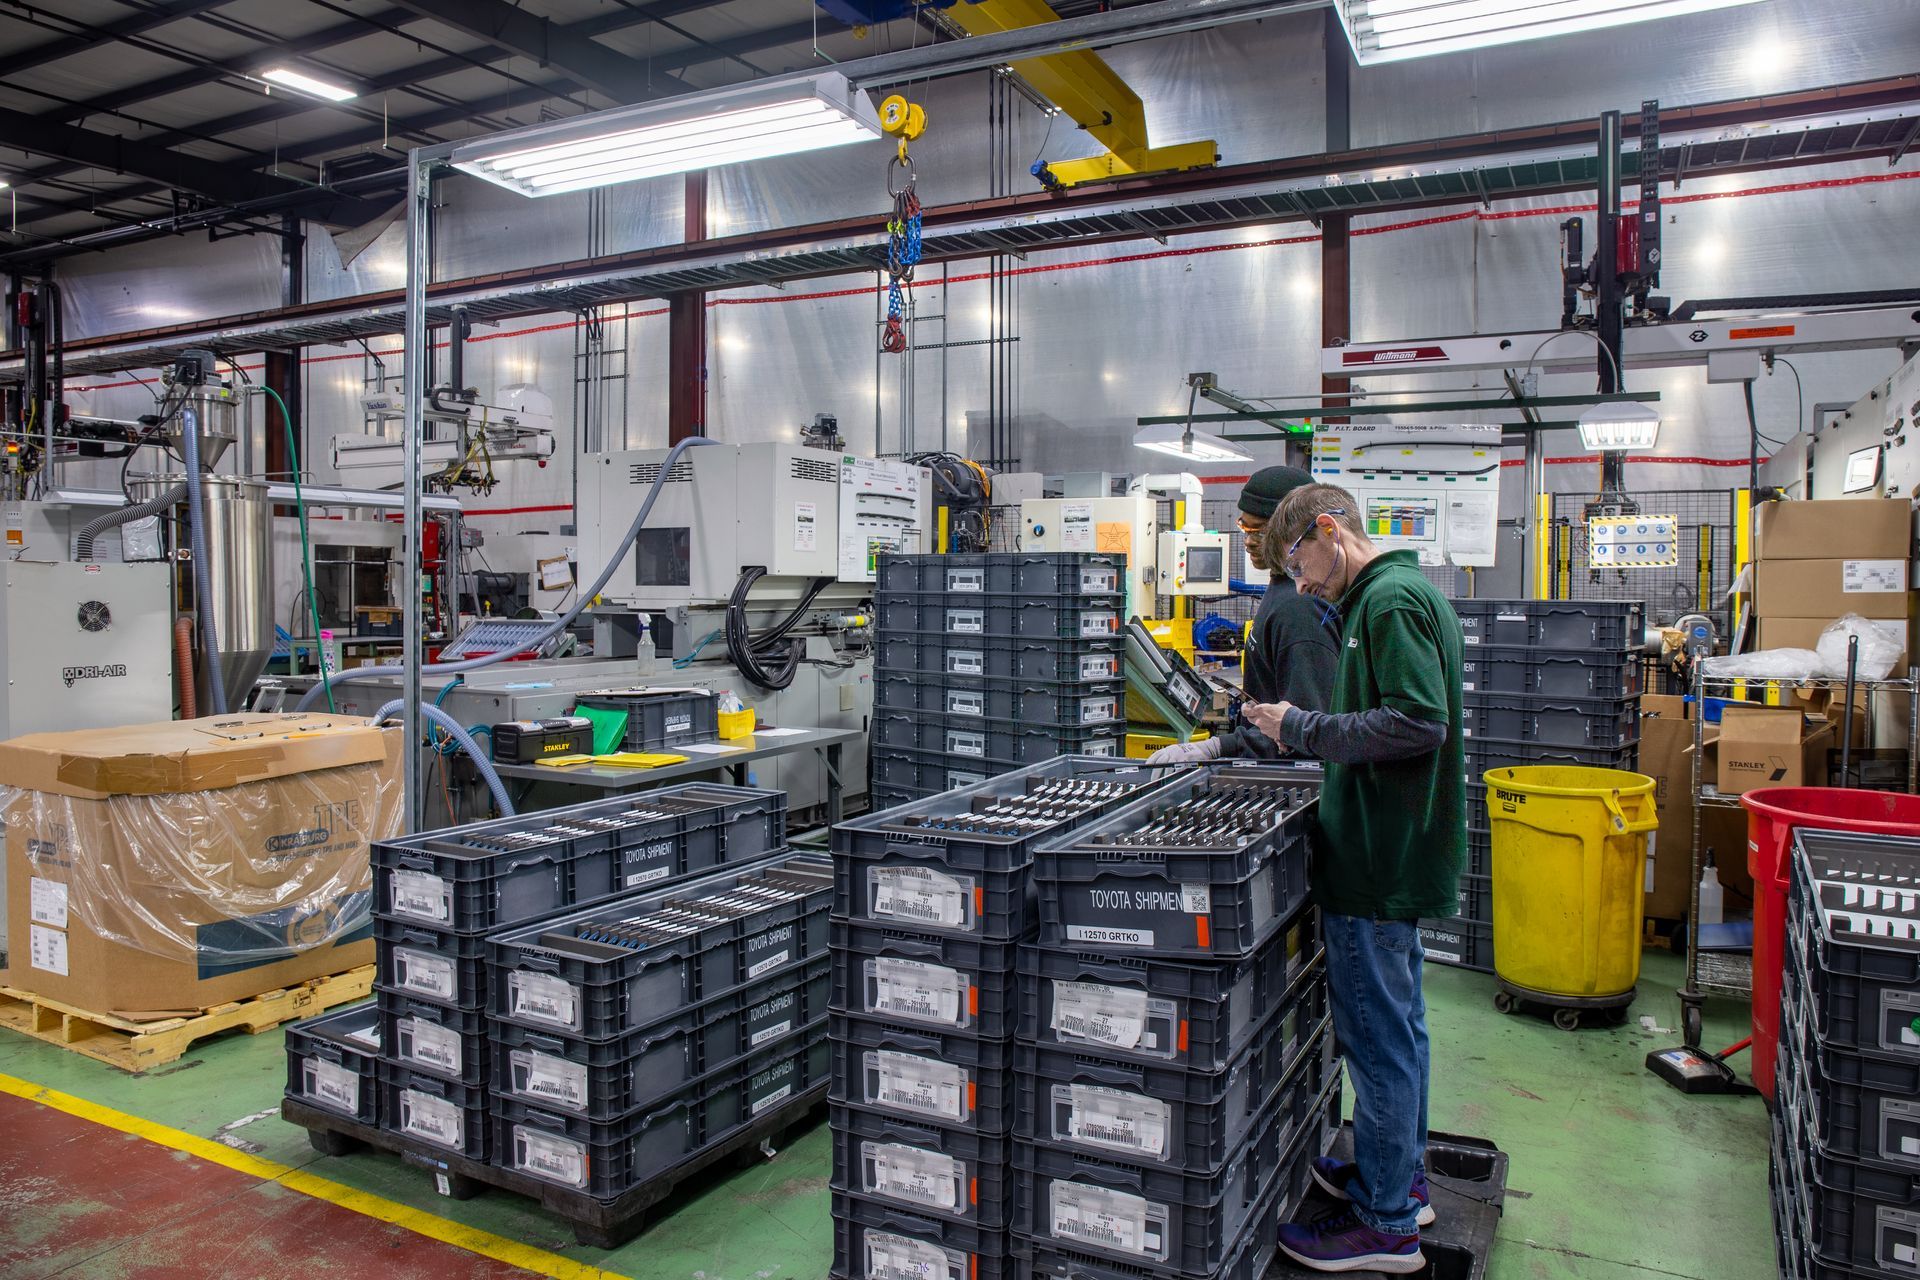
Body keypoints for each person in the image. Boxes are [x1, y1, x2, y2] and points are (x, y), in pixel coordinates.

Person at [1243, 482, 1465, 1275]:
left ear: (1328, 531)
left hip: (1378, 861)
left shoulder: (1389, 603)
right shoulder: (1395, 594)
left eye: (1298, 563)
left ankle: (1384, 1224)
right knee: (1398, 1031)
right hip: (1389, 852)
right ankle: (1394, 1174)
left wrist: (1297, 725)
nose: (1301, 586)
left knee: (1375, 1041)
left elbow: (1416, 720)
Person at [1146, 465, 1337, 765]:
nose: (1247, 540)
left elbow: (1306, 732)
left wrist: (1221, 747)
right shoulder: (1282, 589)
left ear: (1294, 532)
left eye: (1259, 530)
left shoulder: (1300, 608)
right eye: (1243, 527)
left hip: (1290, 784)